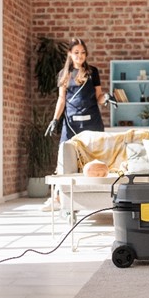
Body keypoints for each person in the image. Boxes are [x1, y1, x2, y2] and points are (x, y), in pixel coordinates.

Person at [43, 38, 111, 210]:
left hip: (92, 122)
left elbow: (99, 97)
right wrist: (55, 120)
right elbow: (61, 99)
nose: (80, 56)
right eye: (76, 53)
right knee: (64, 160)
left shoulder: (92, 72)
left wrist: (107, 99)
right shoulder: (64, 74)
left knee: (95, 159)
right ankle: (58, 198)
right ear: (70, 54)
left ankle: (98, 198)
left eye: (82, 53)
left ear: (86, 54)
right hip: (71, 123)